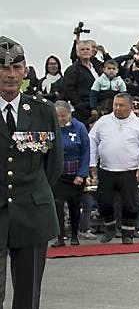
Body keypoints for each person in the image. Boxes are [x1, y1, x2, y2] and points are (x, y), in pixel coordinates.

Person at [0, 37, 63, 309]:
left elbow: (52, 167)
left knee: (28, 296)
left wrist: (34, 197)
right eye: (3, 67)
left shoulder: (42, 110)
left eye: (16, 67)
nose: (10, 74)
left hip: (32, 213)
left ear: (25, 71)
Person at [89, 93, 139, 244]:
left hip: (130, 171)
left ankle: (128, 233)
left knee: (130, 204)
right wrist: (91, 163)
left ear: (130, 106)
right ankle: (109, 228)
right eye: (115, 105)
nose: (117, 108)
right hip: (106, 170)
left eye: (121, 105)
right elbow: (92, 141)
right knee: (103, 202)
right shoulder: (103, 121)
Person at [51, 101, 90, 247]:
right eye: (57, 116)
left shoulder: (79, 127)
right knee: (58, 204)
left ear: (69, 114)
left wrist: (82, 174)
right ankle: (60, 236)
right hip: (58, 174)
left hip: (75, 174)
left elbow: (86, 151)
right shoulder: (51, 128)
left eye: (63, 116)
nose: (60, 119)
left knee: (74, 205)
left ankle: (74, 235)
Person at [59, 39, 103, 123]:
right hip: (83, 110)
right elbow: (69, 91)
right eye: (82, 49)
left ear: (91, 51)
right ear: (78, 53)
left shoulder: (97, 66)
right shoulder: (72, 70)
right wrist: (81, 107)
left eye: (87, 49)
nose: (85, 51)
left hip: (99, 106)